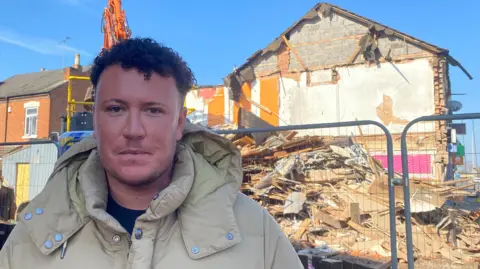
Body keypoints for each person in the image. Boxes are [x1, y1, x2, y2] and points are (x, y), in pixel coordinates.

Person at [0, 38, 303, 269]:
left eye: (154, 111)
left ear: (179, 123)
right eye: (116, 109)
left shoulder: (256, 234)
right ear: (95, 120)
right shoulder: (34, 235)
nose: (134, 130)